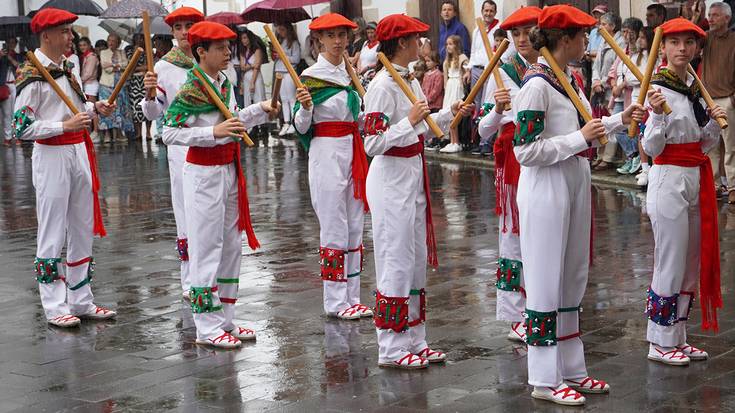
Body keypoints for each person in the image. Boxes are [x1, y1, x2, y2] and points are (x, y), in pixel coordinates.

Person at [514, 5, 643, 405]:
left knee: (572, 277)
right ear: (564, 39)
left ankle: (572, 368)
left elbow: (587, 125)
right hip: (544, 185)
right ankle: (544, 378)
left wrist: (622, 120)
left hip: (573, 178)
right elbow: (524, 150)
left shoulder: (568, 76)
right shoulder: (536, 84)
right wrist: (578, 140)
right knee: (545, 280)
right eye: (582, 35)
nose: (586, 42)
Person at [363, 13, 473, 369]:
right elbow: (372, 142)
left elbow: (422, 125)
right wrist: (408, 121)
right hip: (390, 178)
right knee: (394, 260)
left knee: (413, 262)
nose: (421, 43)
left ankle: (414, 337)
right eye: (415, 39)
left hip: (411, 174)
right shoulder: (381, 85)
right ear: (400, 44)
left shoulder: (406, 78)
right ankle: (391, 347)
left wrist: (447, 114)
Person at [162, 21, 278, 348]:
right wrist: (210, 133)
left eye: (229, 46)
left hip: (229, 171)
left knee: (230, 246)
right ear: (201, 52)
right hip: (202, 175)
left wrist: (260, 110)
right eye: (221, 48)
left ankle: (226, 318)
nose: (228, 52)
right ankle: (206, 326)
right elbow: (168, 133)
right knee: (206, 248)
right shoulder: (191, 89)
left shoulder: (223, 81)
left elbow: (234, 119)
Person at [12, 8, 117, 328]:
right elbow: (21, 128)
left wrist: (94, 107)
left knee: (82, 227)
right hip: (52, 156)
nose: (71, 37)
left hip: (79, 152)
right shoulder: (32, 75)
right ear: (46, 36)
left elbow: (75, 107)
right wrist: (63, 125)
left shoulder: (66, 68)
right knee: (52, 231)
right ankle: (55, 305)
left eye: (70, 32)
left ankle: (81, 299)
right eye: (65, 32)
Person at [641, 17, 725, 367]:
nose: (682, 49)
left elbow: (704, 141)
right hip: (668, 176)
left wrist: (712, 122)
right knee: (671, 259)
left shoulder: (694, 85)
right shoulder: (655, 87)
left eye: (688, 43)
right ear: (663, 48)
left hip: (695, 175)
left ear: (696, 48)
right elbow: (648, 144)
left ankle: (678, 334)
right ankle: (659, 340)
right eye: (674, 43)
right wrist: (658, 115)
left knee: (691, 259)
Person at [292, 13, 373, 321]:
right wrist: (305, 107)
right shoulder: (311, 77)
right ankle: (335, 300)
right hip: (326, 152)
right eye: (332, 36)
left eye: (342, 35)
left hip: (354, 151)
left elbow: (360, 117)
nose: (338, 41)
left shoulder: (351, 73)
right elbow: (301, 127)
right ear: (319, 40)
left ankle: (353, 295)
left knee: (355, 223)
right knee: (334, 224)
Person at [477, 5, 542, 345]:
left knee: (542, 233)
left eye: (527, 31)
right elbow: (483, 129)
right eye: (514, 34)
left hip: (544, 158)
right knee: (513, 237)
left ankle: (542, 304)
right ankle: (517, 313)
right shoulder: (501, 72)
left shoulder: (553, 68)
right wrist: (499, 110)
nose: (521, 39)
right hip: (513, 163)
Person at [142, 6, 204, 301]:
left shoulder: (209, 61)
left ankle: (209, 275)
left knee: (210, 212)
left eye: (189, 26)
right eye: (178, 28)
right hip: (181, 147)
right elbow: (155, 113)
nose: (183, 33)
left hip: (211, 144)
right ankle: (189, 281)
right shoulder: (164, 67)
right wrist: (150, 93)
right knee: (185, 208)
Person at [701, 2, 735, 203]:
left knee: (731, 147)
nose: (710, 18)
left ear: (727, 18)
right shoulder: (706, 38)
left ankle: (732, 186)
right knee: (710, 146)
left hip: (727, 99)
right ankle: (714, 185)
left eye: (714, 15)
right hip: (708, 99)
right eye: (709, 15)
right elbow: (689, 39)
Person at [619, 27, 656, 186]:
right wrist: (640, 79)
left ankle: (654, 167)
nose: (640, 40)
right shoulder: (636, 57)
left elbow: (653, 77)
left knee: (653, 132)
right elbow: (629, 77)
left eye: (643, 37)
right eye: (639, 37)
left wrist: (642, 79)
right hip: (637, 99)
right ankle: (645, 168)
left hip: (650, 99)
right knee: (641, 134)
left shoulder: (655, 57)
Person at [610, 17, 644, 176]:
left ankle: (636, 158)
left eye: (629, 32)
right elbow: (613, 70)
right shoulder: (622, 51)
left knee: (633, 128)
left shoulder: (640, 53)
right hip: (619, 96)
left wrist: (622, 85)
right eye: (623, 32)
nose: (626, 35)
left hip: (631, 95)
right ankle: (632, 156)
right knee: (617, 127)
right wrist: (613, 84)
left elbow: (637, 75)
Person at [590, 12, 624, 171]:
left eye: (603, 24)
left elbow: (617, 67)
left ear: (613, 26)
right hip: (600, 87)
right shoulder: (603, 41)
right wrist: (596, 81)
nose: (600, 26)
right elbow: (596, 65)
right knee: (599, 120)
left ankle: (608, 157)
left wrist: (603, 83)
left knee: (612, 121)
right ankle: (600, 155)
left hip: (611, 88)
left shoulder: (620, 43)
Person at [98, 33, 131, 143]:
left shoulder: (122, 52)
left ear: (118, 42)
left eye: (114, 41)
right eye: (109, 40)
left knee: (119, 109)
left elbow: (126, 65)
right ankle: (107, 133)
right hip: (106, 84)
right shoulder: (103, 52)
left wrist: (113, 65)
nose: (111, 43)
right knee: (106, 108)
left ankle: (119, 133)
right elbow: (104, 67)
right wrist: (117, 66)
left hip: (119, 84)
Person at [439, 35, 468, 154]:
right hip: (450, 87)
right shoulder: (447, 61)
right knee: (449, 114)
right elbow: (446, 78)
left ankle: (457, 142)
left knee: (455, 115)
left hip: (457, 86)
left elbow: (467, 68)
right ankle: (451, 141)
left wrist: (467, 72)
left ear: (457, 45)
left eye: (450, 44)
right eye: (446, 44)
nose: (448, 47)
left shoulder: (461, 58)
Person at [273, 23, 301, 136]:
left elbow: (296, 59)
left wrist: (283, 55)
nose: (280, 32)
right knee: (283, 99)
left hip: (289, 72)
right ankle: (286, 122)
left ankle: (294, 123)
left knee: (291, 98)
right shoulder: (279, 42)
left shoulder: (294, 43)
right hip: (279, 72)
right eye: (279, 30)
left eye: (282, 29)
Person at [126, 33, 150, 140]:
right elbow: (131, 66)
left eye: (142, 38)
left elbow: (150, 66)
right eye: (137, 38)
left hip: (145, 81)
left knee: (148, 105)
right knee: (136, 106)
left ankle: (148, 132)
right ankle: (139, 132)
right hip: (135, 82)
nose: (140, 40)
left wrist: (142, 67)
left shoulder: (148, 52)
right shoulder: (131, 52)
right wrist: (137, 53)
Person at [234, 28, 267, 108]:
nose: (243, 40)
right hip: (246, 78)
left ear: (250, 38)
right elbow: (242, 67)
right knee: (247, 100)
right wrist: (252, 65)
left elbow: (257, 67)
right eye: (242, 38)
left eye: (245, 38)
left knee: (258, 99)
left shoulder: (257, 50)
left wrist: (253, 82)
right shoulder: (243, 51)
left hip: (255, 77)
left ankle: (261, 120)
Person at [1, 38, 20, 146]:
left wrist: (10, 58)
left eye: (14, 43)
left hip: (16, 85)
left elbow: (20, 67)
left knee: (16, 111)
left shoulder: (18, 55)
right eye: (10, 42)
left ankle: (17, 136)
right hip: (5, 86)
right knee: (7, 113)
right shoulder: (1, 56)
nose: (11, 44)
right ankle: (8, 138)